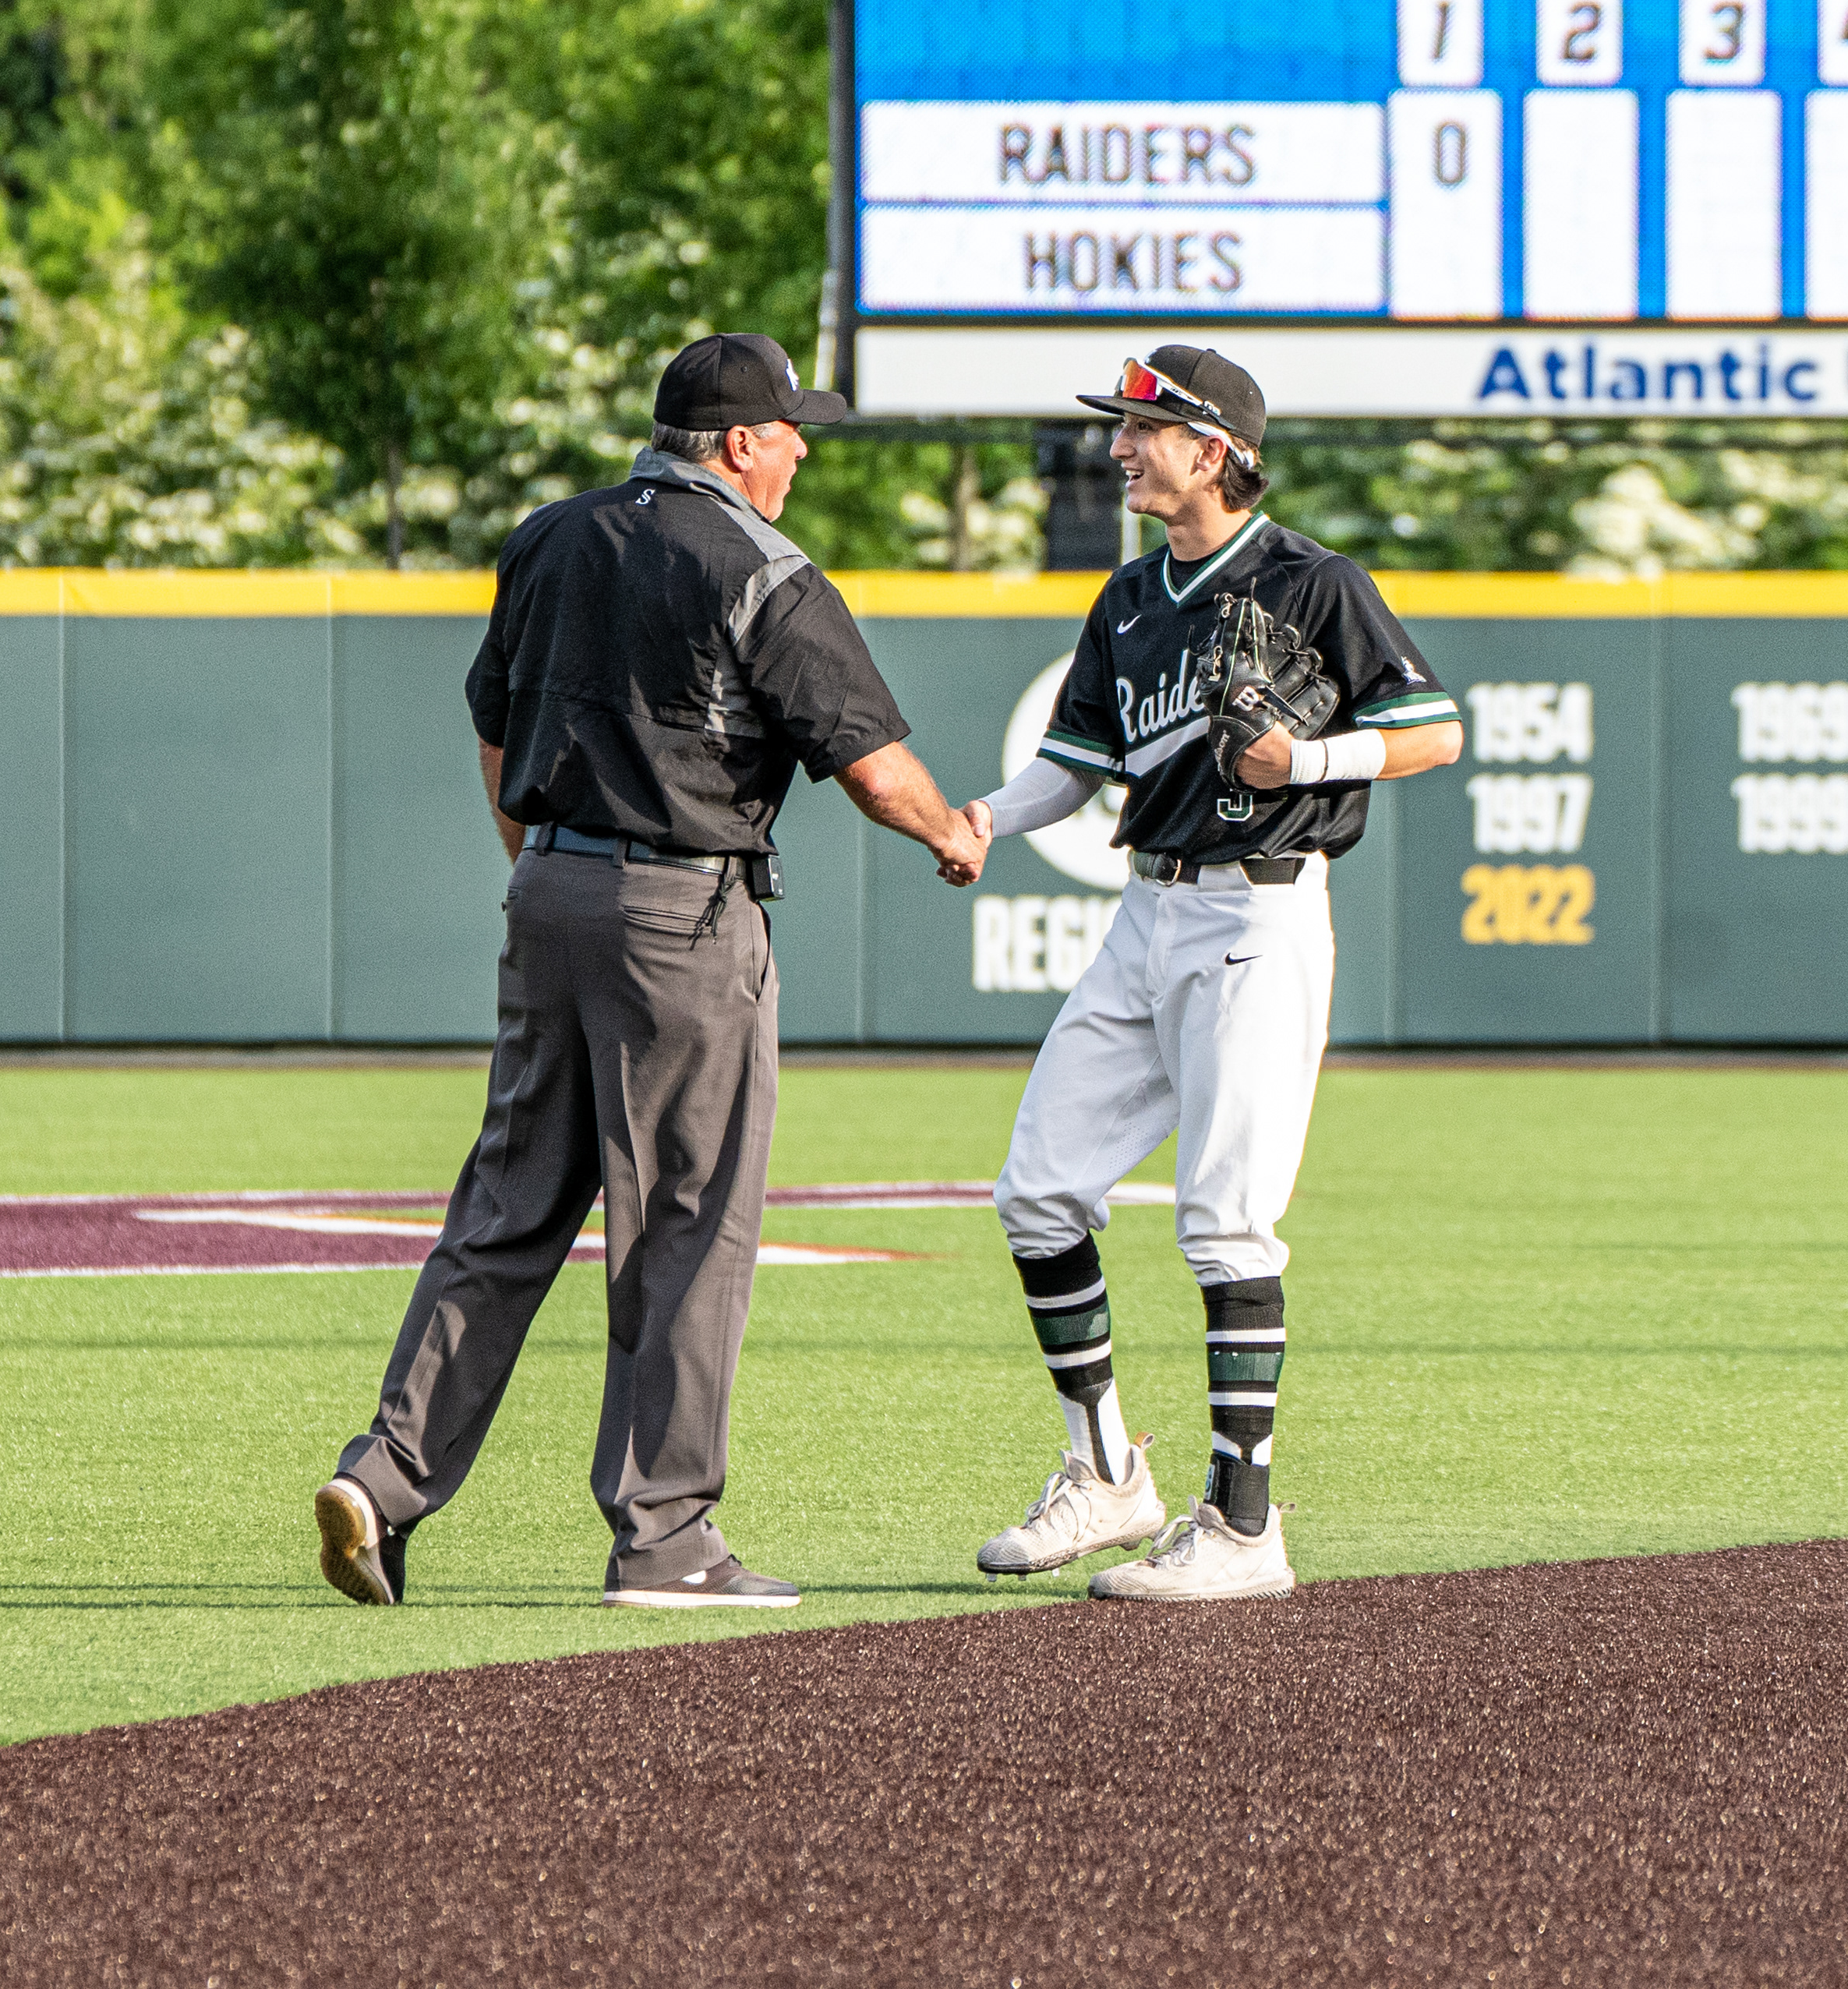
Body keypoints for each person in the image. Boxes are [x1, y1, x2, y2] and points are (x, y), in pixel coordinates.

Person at [314, 333, 988, 1610]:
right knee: (687, 1222)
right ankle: (666, 1538)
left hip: (548, 891)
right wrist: (950, 833)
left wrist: (546, 867)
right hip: (681, 913)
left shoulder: (550, 536)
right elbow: (870, 764)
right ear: (738, 443)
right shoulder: (762, 566)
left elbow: (495, 730)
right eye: (791, 431)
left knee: (507, 1210)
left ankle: (384, 1479)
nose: (801, 452)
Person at [961, 344, 1463, 1602]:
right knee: (1038, 1191)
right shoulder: (1131, 596)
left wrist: (1306, 762)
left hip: (1260, 911)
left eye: (1146, 429)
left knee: (1226, 1223)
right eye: (1122, 428)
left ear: (1217, 449)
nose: (1121, 448)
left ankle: (1244, 1530)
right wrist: (978, 820)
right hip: (1148, 912)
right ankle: (1105, 1476)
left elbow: (1433, 731)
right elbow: (1074, 768)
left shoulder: (1313, 580)